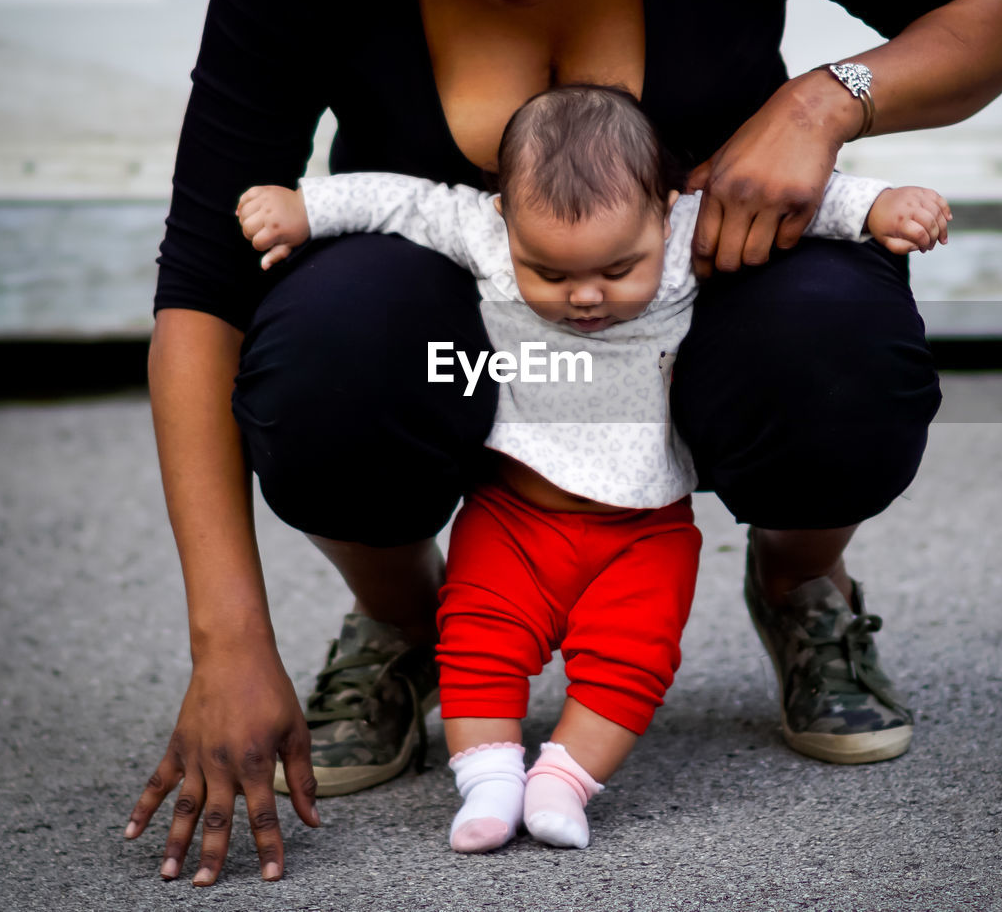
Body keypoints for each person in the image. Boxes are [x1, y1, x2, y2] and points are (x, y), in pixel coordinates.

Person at [127, 0, 1002, 885]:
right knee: (325, 353)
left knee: (834, 350)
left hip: (702, 314)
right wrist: (228, 643)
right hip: (451, 344)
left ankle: (801, 587)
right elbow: (203, 283)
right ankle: (402, 625)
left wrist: (824, 101)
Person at [236, 84, 953, 852]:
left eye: (618, 269)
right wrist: (304, 208)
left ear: (665, 211)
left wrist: (881, 206)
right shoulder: (483, 235)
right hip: (511, 515)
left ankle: (565, 781)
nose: (585, 297)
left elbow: (808, 203)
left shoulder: (684, 236)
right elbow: (400, 201)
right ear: (505, 219)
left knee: (629, 659)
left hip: (645, 528)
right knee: (477, 641)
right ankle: (488, 782)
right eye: (549, 272)